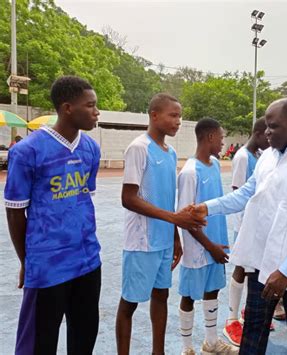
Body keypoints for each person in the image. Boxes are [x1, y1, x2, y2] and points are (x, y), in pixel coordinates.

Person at [188, 98, 287, 354]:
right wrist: (207, 207)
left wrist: (286, 270)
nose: (266, 133)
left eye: (273, 127)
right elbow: (245, 194)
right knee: (253, 328)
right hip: (263, 260)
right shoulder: (268, 158)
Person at [5, 76, 102, 354]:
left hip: (87, 261)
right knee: (40, 343)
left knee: (83, 337)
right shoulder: (28, 151)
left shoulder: (91, 149)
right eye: (91, 105)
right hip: (48, 266)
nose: (96, 112)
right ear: (67, 108)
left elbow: (84, 200)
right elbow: (15, 213)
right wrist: (28, 260)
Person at [115, 94, 205, 355]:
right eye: (173, 115)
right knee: (129, 303)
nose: (178, 121)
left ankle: (159, 351)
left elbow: (168, 199)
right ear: (154, 115)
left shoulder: (171, 152)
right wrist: (174, 220)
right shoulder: (139, 147)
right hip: (141, 241)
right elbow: (128, 198)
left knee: (161, 295)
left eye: (180, 115)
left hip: (164, 239)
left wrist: (175, 235)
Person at [177, 118, 239, 355]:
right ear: (210, 137)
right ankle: (187, 348)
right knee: (189, 296)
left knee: (212, 290)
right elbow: (185, 218)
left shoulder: (213, 164)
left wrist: (216, 245)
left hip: (216, 243)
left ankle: (211, 343)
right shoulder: (190, 172)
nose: (223, 143)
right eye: (222, 138)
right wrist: (210, 246)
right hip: (198, 248)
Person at [223, 117, 270, 346]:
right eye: (267, 136)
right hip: (244, 225)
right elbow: (238, 194)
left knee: (253, 270)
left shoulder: (257, 156)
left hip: (256, 225)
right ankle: (231, 319)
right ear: (259, 133)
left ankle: (247, 312)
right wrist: (243, 229)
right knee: (240, 268)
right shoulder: (242, 156)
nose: (270, 142)